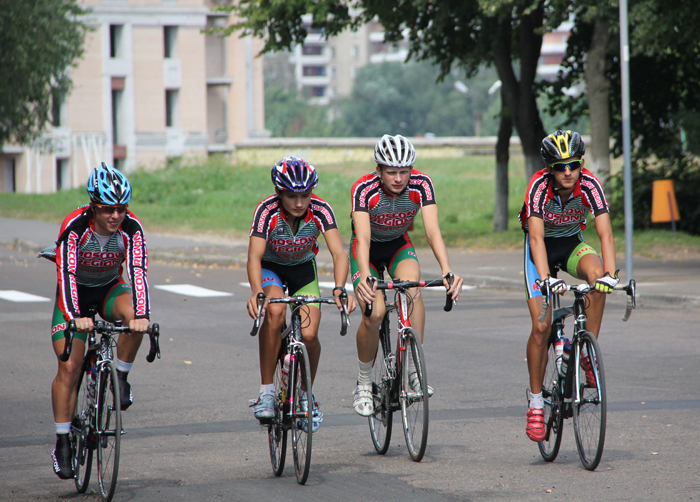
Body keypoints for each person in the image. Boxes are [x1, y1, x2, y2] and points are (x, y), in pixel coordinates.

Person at [41, 163, 151, 479]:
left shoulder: (132, 228)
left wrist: (142, 315)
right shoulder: (75, 225)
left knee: (136, 317)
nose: (115, 216)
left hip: (108, 289)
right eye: (107, 210)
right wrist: (77, 316)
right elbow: (67, 274)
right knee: (71, 366)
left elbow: (139, 272)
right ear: (93, 206)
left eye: (121, 208)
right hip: (73, 295)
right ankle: (62, 441)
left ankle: (121, 376)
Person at [350, 134, 464, 417]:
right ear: (379, 171)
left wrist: (447, 270)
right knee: (374, 313)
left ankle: (413, 369)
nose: (399, 178)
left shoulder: (422, 184)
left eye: (404, 171)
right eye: (391, 172)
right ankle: (364, 382)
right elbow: (362, 238)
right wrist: (365, 275)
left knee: (414, 290)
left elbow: (432, 231)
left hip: (398, 244)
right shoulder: (364, 188)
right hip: (367, 250)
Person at [519, 130, 619, 442]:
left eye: (573, 165)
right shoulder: (537, 186)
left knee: (598, 278)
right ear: (549, 167)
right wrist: (547, 279)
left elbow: (605, 234)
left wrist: (611, 275)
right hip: (540, 253)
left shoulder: (589, 183)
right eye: (560, 166)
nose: (567, 172)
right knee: (541, 326)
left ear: (581, 164)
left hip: (572, 243)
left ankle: (586, 350)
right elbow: (536, 238)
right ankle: (536, 403)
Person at [246, 156, 356, 432]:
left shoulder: (321, 210)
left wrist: (341, 288)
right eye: (292, 196)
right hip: (271, 268)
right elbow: (254, 257)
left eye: (305, 195)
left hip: (303, 270)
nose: (299, 203)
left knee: (309, 335)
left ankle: (307, 395)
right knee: (274, 312)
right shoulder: (266, 211)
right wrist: (257, 293)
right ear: (279, 193)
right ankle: (267, 391)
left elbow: (339, 253)